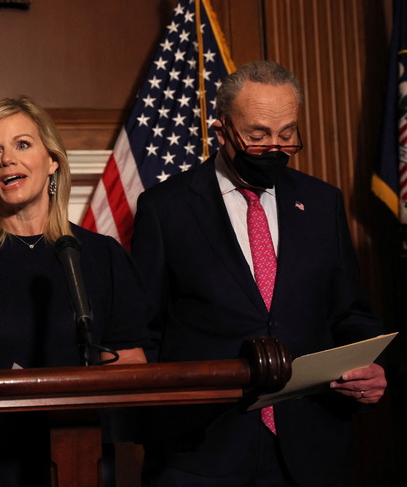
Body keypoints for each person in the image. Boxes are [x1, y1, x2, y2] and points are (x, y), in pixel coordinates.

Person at [131, 60, 387, 486]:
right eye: (258, 135)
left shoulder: (322, 203)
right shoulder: (166, 208)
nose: (275, 147)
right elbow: (144, 330)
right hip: (201, 453)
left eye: (287, 134)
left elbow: (350, 315)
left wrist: (368, 367)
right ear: (222, 130)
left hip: (312, 448)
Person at [0, 96, 150, 486]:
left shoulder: (101, 256)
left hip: (80, 455)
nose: (8, 159)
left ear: (52, 160)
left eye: (23, 144)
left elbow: (132, 365)